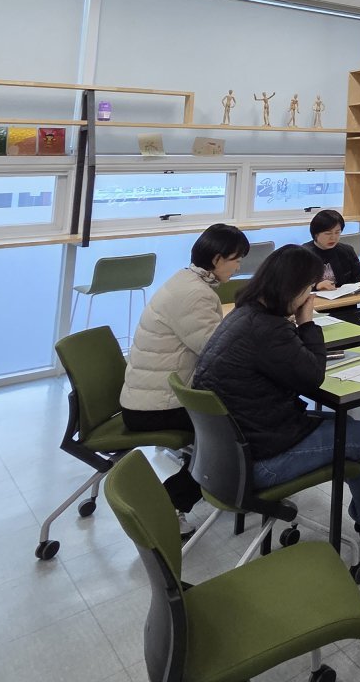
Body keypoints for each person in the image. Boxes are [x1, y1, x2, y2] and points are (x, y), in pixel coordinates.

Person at [192, 245, 360, 539]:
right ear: (293, 287)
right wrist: (306, 322)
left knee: (348, 426)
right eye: (308, 288)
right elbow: (312, 377)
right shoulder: (268, 329)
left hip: (224, 455)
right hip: (257, 462)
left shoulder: (244, 314)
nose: (309, 295)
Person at [119, 223, 249, 530]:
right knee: (233, 432)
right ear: (217, 259)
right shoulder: (195, 294)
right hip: (155, 407)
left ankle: (223, 485)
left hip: (150, 397)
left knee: (235, 418)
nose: (239, 267)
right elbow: (214, 352)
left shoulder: (186, 281)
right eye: (236, 260)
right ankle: (170, 503)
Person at [302, 209, 360, 291]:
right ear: (315, 234)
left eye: (337, 232)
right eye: (328, 233)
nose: (333, 237)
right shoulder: (303, 254)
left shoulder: (346, 251)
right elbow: (296, 284)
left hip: (344, 297)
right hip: (316, 298)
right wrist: (316, 286)